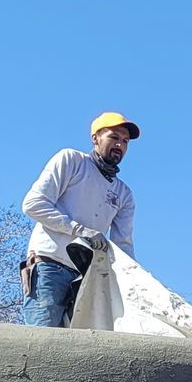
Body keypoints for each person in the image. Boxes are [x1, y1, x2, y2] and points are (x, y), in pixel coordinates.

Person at [20, 112, 139, 327]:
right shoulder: (72, 161)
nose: (120, 145)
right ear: (95, 138)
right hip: (50, 265)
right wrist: (79, 230)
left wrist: (134, 283)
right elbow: (33, 204)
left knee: (80, 350)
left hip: (88, 279)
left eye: (125, 141)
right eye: (114, 137)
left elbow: (124, 247)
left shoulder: (123, 194)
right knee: (42, 341)